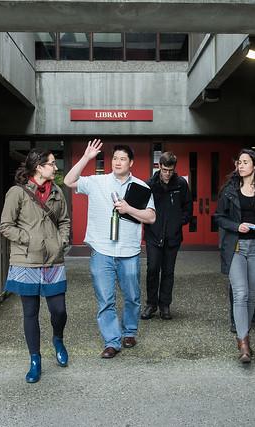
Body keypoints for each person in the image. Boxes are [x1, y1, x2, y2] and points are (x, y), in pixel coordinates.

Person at [64, 139, 155, 358]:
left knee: (132, 296)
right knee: (106, 299)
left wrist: (129, 208)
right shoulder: (97, 181)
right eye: (115, 158)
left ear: (131, 163)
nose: (118, 162)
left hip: (129, 252)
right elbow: (68, 181)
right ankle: (112, 341)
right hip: (102, 251)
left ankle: (130, 331)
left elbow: (151, 217)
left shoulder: (141, 187)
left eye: (123, 159)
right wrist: (86, 157)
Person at [0, 148, 71, 383]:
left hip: (53, 260)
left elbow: (64, 221)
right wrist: (29, 239)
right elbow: (6, 226)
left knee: (58, 309)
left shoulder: (58, 192)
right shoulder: (16, 193)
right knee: (30, 313)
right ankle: (35, 360)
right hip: (26, 261)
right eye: (52, 164)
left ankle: (58, 339)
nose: (56, 167)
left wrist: (62, 240)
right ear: (39, 167)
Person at [214, 149, 255, 363]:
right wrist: (235, 225)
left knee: (251, 294)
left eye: (244, 162)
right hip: (236, 247)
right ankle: (243, 342)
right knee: (240, 293)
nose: (240, 166)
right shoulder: (229, 190)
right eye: (238, 162)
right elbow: (219, 217)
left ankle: (244, 333)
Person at [142, 152, 192, 320]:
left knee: (168, 272)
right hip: (153, 236)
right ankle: (151, 304)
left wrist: (178, 223)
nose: (167, 173)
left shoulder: (181, 184)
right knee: (153, 270)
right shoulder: (150, 184)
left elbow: (188, 208)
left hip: (173, 236)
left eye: (170, 170)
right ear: (159, 167)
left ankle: (165, 306)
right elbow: (142, 209)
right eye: (165, 170)